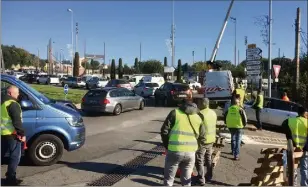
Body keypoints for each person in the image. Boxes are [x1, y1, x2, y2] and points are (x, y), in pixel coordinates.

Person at [161, 98, 206, 186]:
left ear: (181, 105)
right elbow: (203, 136)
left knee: (169, 180)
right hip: (191, 152)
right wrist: (197, 148)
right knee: (186, 181)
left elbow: (164, 131)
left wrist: (167, 146)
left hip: (175, 150)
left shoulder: (175, 113)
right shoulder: (198, 116)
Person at [1, 85, 25, 186]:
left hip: (2, 133)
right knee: (15, 157)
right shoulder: (13, 104)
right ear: (10, 93)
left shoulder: (2, 102)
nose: (18, 94)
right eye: (17, 92)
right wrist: (22, 134)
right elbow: (17, 122)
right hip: (12, 134)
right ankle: (11, 179)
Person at [282, 106, 308, 186]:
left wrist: (290, 138)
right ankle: (305, 185)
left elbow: (283, 126)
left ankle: (293, 184)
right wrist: (303, 148)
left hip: (293, 150)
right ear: (305, 113)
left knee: (293, 168)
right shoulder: (307, 122)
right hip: (304, 150)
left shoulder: (290, 121)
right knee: (305, 169)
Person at [195, 98, 217, 185]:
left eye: (200, 103)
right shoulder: (213, 113)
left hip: (203, 140)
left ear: (204, 104)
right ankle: (209, 175)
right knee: (208, 158)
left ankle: (201, 179)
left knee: (199, 159)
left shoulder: (200, 114)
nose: (199, 105)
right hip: (211, 139)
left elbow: (197, 127)